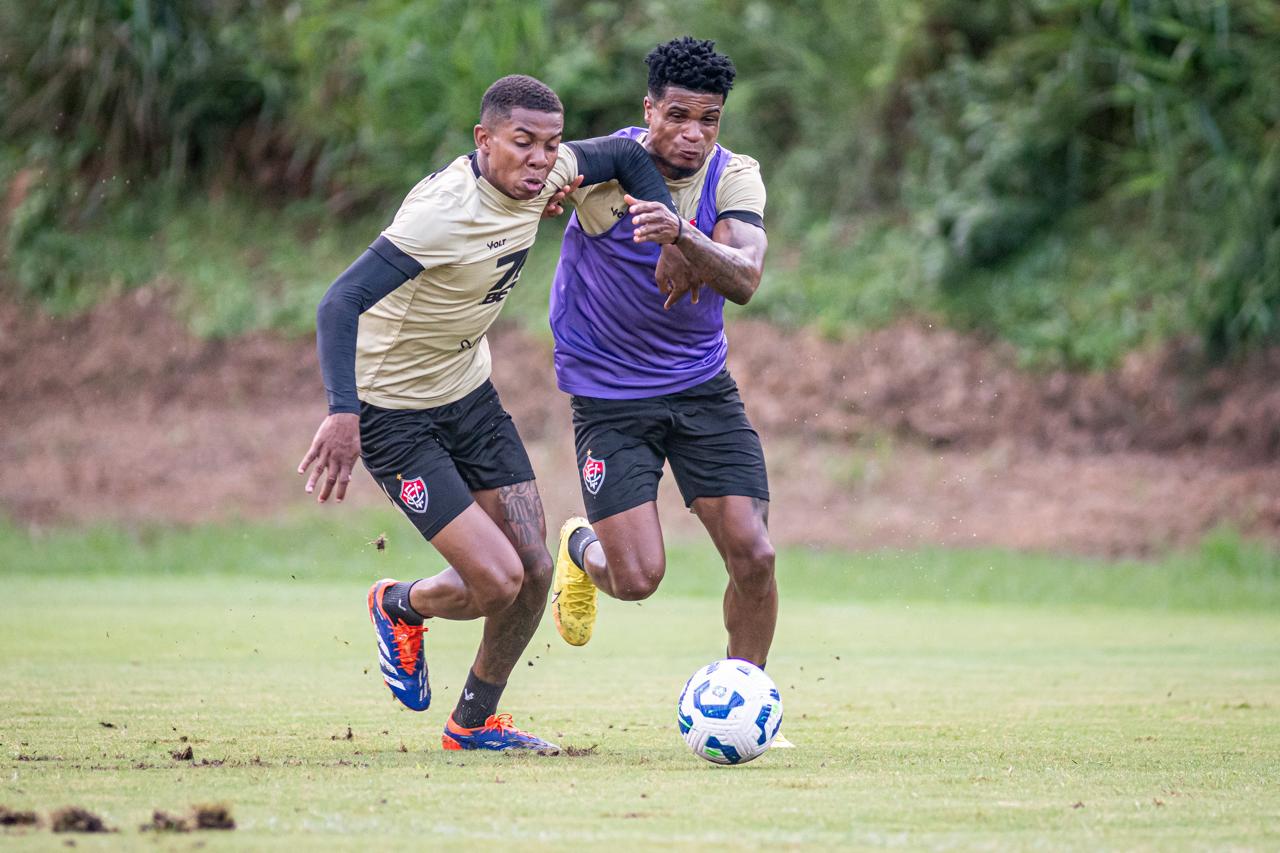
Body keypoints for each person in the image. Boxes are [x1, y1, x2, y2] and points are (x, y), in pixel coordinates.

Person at [297, 74, 675, 753]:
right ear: (484, 140)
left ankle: (473, 722)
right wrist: (342, 414)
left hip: (470, 396)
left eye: (551, 145)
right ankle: (398, 604)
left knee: (533, 572)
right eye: (522, 143)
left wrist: (664, 232)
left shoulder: (550, 169)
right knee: (498, 579)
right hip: (394, 414)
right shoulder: (441, 214)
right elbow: (339, 302)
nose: (540, 159)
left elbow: (623, 158)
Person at [548, 37, 784, 706]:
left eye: (708, 119)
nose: (693, 134)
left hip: (701, 388)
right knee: (638, 578)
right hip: (610, 399)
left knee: (755, 554)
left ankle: (746, 701)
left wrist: (681, 235)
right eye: (677, 115)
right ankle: (580, 547)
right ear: (647, 109)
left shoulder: (732, 174)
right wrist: (543, 189)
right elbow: (547, 166)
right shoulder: (606, 171)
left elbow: (744, 278)